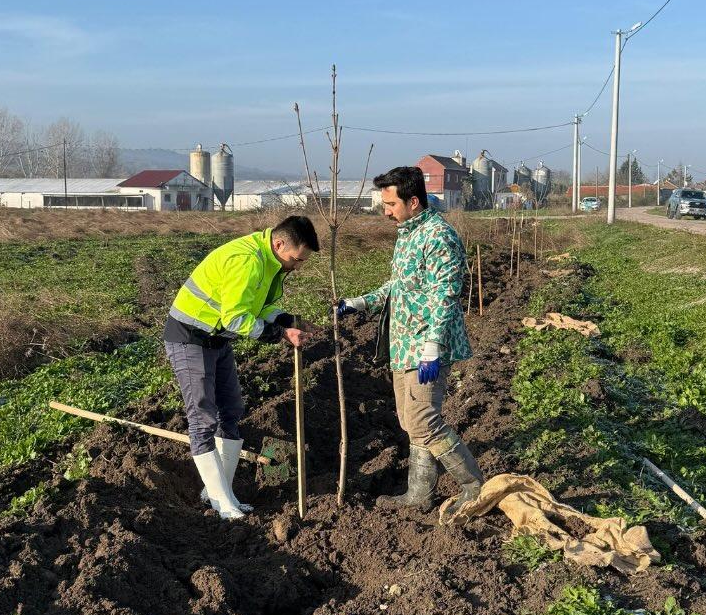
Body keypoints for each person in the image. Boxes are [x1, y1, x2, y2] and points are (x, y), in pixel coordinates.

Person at [336, 166, 481, 519]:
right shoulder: (409, 234)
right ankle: (418, 494)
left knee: (423, 421)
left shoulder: (438, 237)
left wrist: (432, 347)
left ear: (413, 202)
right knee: (409, 421)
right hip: (402, 344)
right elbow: (397, 287)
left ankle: (474, 488)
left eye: (390, 203)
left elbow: (446, 295)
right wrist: (358, 303)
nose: (385, 210)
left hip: (424, 347)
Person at [164, 215, 317, 520]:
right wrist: (279, 334)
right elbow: (236, 318)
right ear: (279, 243)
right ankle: (222, 504)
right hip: (190, 338)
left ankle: (219, 494)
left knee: (231, 410)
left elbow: (260, 306)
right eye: (296, 259)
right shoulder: (246, 260)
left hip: (216, 339)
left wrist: (285, 319)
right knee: (202, 419)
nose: (297, 266)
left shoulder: (271, 263)